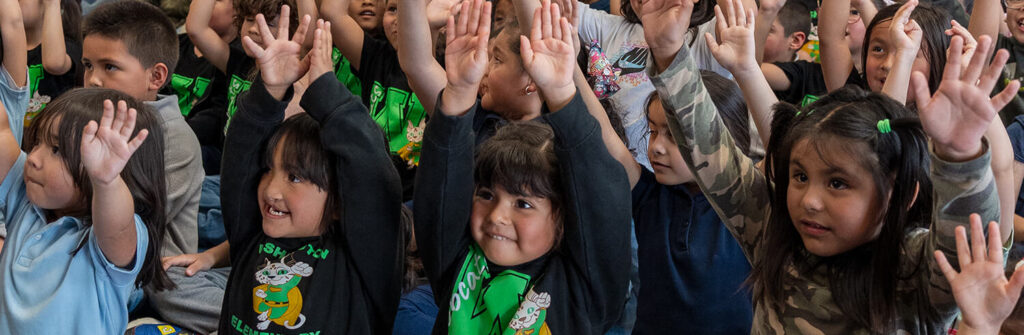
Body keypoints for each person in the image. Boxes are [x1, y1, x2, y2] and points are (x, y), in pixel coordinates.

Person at [640, 0, 1017, 331]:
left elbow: (966, 250)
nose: (809, 200)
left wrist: (960, 154)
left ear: (899, 194)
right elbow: (712, 151)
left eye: (837, 183)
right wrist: (669, 52)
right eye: (800, 177)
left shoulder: (911, 270)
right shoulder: (774, 231)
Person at [415, 1, 631, 333]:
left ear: (562, 218)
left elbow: (603, 195)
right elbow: (439, 188)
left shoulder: (583, 291)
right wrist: (459, 92)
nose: (497, 216)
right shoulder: (455, 261)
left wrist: (561, 93)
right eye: (486, 195)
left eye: (523, 204)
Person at [217, 14, 405, 333]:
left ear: (339, 203)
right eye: (268, 170)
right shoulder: (251, 232)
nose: (271, 190)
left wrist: (327, 93)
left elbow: (373, 174)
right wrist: (270, 91)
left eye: (294, 177)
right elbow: (240, 157)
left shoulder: (364, 262)